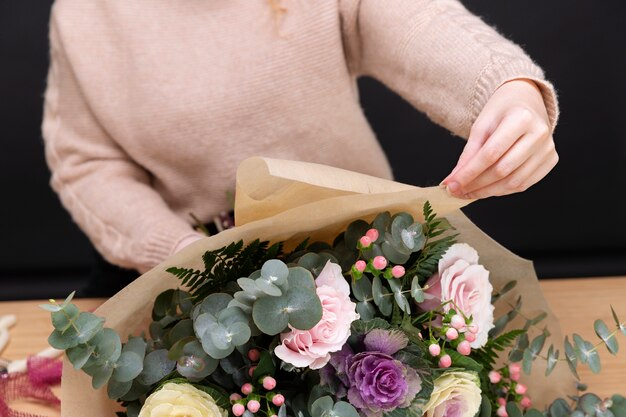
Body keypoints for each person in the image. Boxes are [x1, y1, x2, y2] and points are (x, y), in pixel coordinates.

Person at [42, 0, 559, 295]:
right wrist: (179, 254)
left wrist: (507, 89)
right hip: (179, 286)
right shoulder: (84, 14)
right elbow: (88, 163)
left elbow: (414, 20)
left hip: (366, 267)